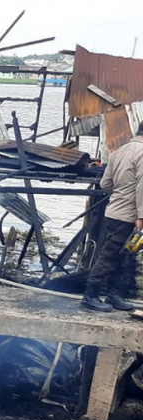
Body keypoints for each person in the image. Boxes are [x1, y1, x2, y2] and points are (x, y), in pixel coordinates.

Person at [82, 122, 143, 312]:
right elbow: (142, 186)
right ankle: (90, 296)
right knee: (111, 256)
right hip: (129, 216)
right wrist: (141, 216)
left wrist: (119, 195)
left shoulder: (119, 152)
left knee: (123, 256)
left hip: (114, 212)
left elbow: (105, 183)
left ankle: (114, 295)